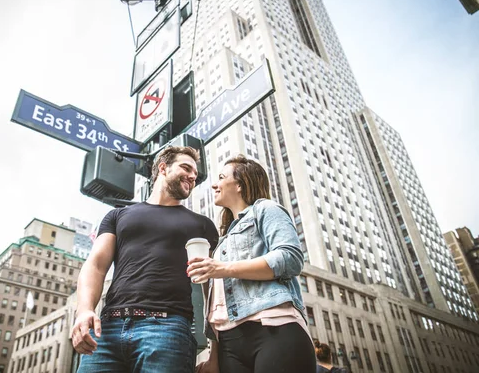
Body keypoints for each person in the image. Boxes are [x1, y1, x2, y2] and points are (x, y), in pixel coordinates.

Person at [71, 146, 219, 373]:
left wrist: (215, 353)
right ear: (163, 167)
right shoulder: (117, 215)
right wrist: (84, 310)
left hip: (167, 330)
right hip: (107, 329)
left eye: (195, 174)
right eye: (186, 167)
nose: (192, 176)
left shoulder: (202, 225)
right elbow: (96, 265)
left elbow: (214, 290)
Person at [188, 155, 316, 373]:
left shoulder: (266, 209)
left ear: (239, 184)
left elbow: (290, 258)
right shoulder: (223, 241)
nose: (213, 184)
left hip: (274, 327)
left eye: (221, 177)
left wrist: (221, 269)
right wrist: (213, 357)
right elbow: (219, 307)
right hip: (228, 343)